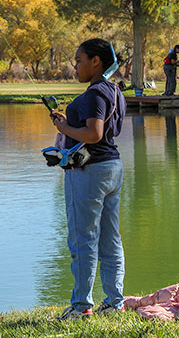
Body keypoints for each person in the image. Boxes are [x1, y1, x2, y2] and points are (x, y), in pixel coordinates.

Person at [51, 38, 127, 320]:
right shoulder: (115, 91)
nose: (76, 66)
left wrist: (63, 126)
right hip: (112, 168)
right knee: (110, 238)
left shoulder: (95, 93)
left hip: (90, 171)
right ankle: (114, 301)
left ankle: (81, 306)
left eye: (79, 60)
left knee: (83, 239)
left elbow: (94, 134)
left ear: (96, 62)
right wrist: (67, 125)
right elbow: (104, 131)